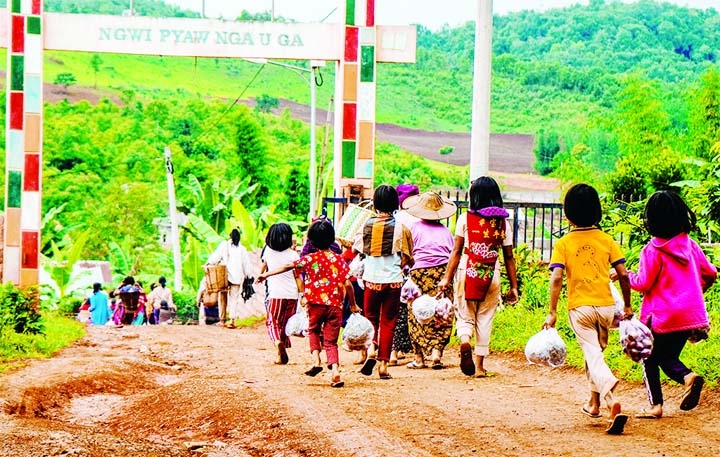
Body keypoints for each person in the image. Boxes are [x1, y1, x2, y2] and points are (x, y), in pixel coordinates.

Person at [541, 183, 632, 435]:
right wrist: (627, 304)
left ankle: (611, 398)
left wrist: (552, 311)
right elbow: (623, 275)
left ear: (568, 214)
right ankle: (593, 404)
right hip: (605, 308)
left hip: (579, 309)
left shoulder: (564, 243)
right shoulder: (607, 240)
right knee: (594, 353)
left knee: (594, 356)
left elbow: (557, 277)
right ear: (597, 212)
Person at [626, 190, 716, 419]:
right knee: (667, 357)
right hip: (690, 315)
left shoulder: (652, 250)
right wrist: (696, 292)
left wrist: (626, 276)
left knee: (649, 358)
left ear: (651, 219)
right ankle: (686, 377)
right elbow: (711, 273)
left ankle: (660, 402)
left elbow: (644, 283)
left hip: (663, 316)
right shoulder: (691, 245)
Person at [258, 218, 360, 388]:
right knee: (331, 342)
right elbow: (348, 283)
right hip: (335, 306)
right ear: (332, 238)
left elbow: (287, 267)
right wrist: (354, 304)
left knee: (313, 331)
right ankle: (335, 371)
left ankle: (317, 361)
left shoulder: (309, 259)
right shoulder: (338, 259)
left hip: (315, 305)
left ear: (311, 241)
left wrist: (266, 275)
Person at [439, 176, 519, 378]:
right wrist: (514, 286)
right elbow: (509, 256)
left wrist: (447, 279)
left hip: (468, 269)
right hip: (492, 272)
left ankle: (465, 339)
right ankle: (480, 366)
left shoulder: (465, 219)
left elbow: (456, 252)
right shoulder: (503, 224)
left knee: (465, 314)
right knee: (485, 317)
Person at [354, 184, 414, 379]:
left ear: (376, 203)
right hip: (394, 282)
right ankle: (383, 366)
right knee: (389, 322)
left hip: (371, 281)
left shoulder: (366, 226)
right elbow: (408, 258)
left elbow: (357, 249)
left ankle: (371, 349)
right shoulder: (401, 228)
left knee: (371, 319)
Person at [402, 191, 457, 369]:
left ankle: (419, 358)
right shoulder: (446, 232)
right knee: (441, 312)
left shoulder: (414, 229)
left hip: (418, 274)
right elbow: (452, 256)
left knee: (416, 313)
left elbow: (407, 255)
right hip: (442, 275)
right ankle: (436, 353)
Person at [388, 183, 420, 365]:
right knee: (413, 312)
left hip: (393, 269)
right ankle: (417, 351)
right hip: (413, 269)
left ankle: (393, 352)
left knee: (395, 312)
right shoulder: (418, 218)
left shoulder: (395, 218)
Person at [260, 223, 300, 365]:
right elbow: (298, 275)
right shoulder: (294, 255)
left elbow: (263, 267)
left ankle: (278, 343)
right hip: (292, 295)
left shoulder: (268, 252)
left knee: (273, 321)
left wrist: (260, 276)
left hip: (276, 294)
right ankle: (281, 349)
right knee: (285, 324)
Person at [206, 228, 253, 329]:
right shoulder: (242, 249)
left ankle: (222, 320)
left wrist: (209, 263)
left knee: (222, 298)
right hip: (237, 277)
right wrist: (248, 276)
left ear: (230, 236)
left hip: (224, 276)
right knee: (234, 299)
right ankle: (232, 321)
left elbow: (216, 256)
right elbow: (246, 265)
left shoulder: (224, 245)